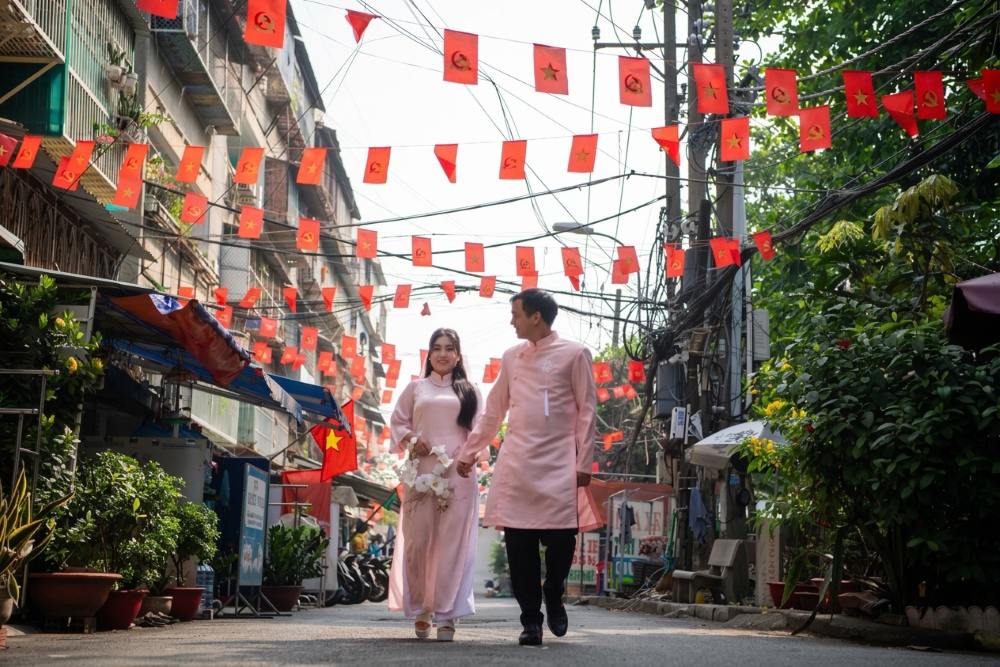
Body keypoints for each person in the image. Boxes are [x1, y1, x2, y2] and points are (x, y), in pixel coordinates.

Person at [457, 288, 600, 646]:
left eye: (516, 314)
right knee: (519, 547)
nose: (512, 321)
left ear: (536, 316)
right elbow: (493, 411)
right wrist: (469, 452)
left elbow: (587, 411)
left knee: (561, 543)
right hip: (517, 463)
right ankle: (531, 622)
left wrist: (583, 461)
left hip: (559, 463)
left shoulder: (575, 353)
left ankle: (554, 592)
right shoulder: (511, 357)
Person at [387, 328, 482, 642]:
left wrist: (467, 457)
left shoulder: (470, 391)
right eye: (437, 348)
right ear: (429, 354)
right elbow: (398, 422)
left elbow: (479, 431)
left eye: (449, 348)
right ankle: (423, 609)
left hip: (459, 475)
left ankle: (447, 614)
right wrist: (413, 440)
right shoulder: (415, 389)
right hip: (421, 474)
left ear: (457, 355)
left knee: (453, 547)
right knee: (419, 544)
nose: (443, 354)